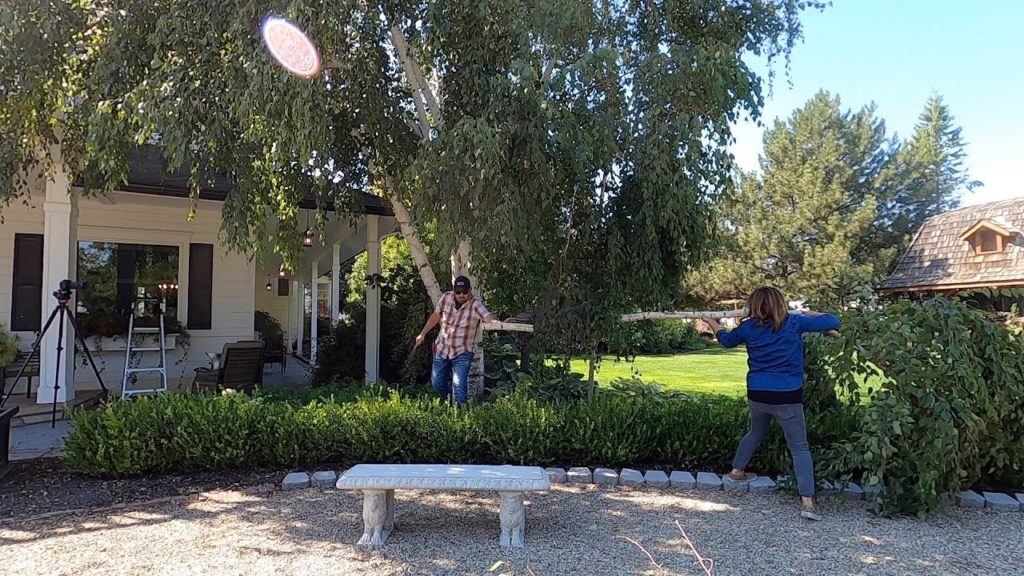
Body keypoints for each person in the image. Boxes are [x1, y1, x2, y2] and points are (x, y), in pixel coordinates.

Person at [702, 287, 840, 521]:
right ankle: (808, 503)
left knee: (756, 432)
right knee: (799, 448)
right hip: (787, 395)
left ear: (753, 306)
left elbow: (726, 341)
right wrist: (811, 313)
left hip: (758, 392)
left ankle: (737, 471)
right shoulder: (794, 322)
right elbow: (833, 320)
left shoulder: (748, 327)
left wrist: (712, 322)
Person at [414, 275, 501, 405]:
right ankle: (450, 402)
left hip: (463, 352)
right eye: (458, 292)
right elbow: (436, 315)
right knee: (437, 383)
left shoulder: (476, 304)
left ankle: (460, 414)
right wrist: (422, 334)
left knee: (459, 386)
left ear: (470, 290)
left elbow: (487, 316)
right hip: (442, 348)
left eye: (464, 292)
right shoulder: (446, 298)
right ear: (454, 291)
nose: (461, 295)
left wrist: (495, 321)